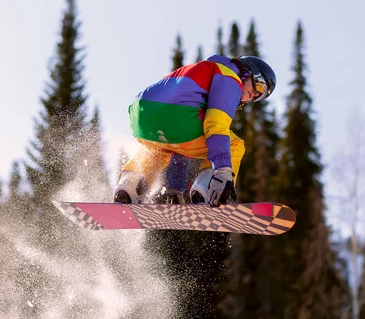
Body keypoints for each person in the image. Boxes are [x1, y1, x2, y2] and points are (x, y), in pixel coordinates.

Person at [114, 55, 277, 206]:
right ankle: (207, 188)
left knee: (160, 150)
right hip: (179, 118)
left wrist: (175, 188)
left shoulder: (204, 71)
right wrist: (223, 170)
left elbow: (180, 147)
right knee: (234, 144)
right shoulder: (230, 77)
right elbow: (216, 123)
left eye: (261, 96)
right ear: (248, 71)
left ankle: (129, 186)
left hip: (141, 115)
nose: (255, 95)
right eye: (260, 86)